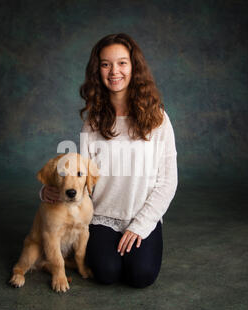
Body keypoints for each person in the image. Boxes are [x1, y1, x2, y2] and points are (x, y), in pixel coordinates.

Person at [40, 33, 178, 288]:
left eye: (122, 63)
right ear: (98, 71)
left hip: (142, 214)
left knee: (141, 276)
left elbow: (168, 182)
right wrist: (51, 189)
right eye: (106, 64)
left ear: (134, 67)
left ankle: (140, 242)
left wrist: (140, 226)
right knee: (106, 274)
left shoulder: (158, 119)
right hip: (102, 216)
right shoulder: (92, 122)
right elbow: (82, 177)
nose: (114, 71)